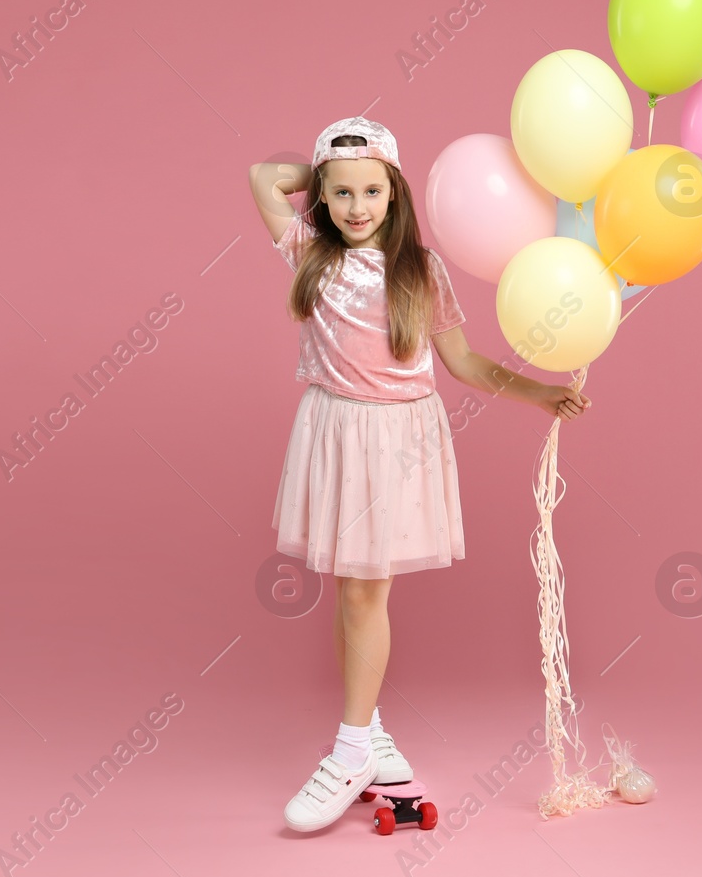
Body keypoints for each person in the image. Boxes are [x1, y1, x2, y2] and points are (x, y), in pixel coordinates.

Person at [250, 116, 592, 833]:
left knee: (364, 594)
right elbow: (260, 177)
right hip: (334, 430)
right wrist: (323, 172)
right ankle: (366, 730)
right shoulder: (312, 254)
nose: (356, 207)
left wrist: (539, 393)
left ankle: (348, 751)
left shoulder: (421, 271)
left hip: (394, 440)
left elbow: (465, 363)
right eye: (340, 194)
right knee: (350, 592)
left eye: (371, 190)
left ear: (395, 191)